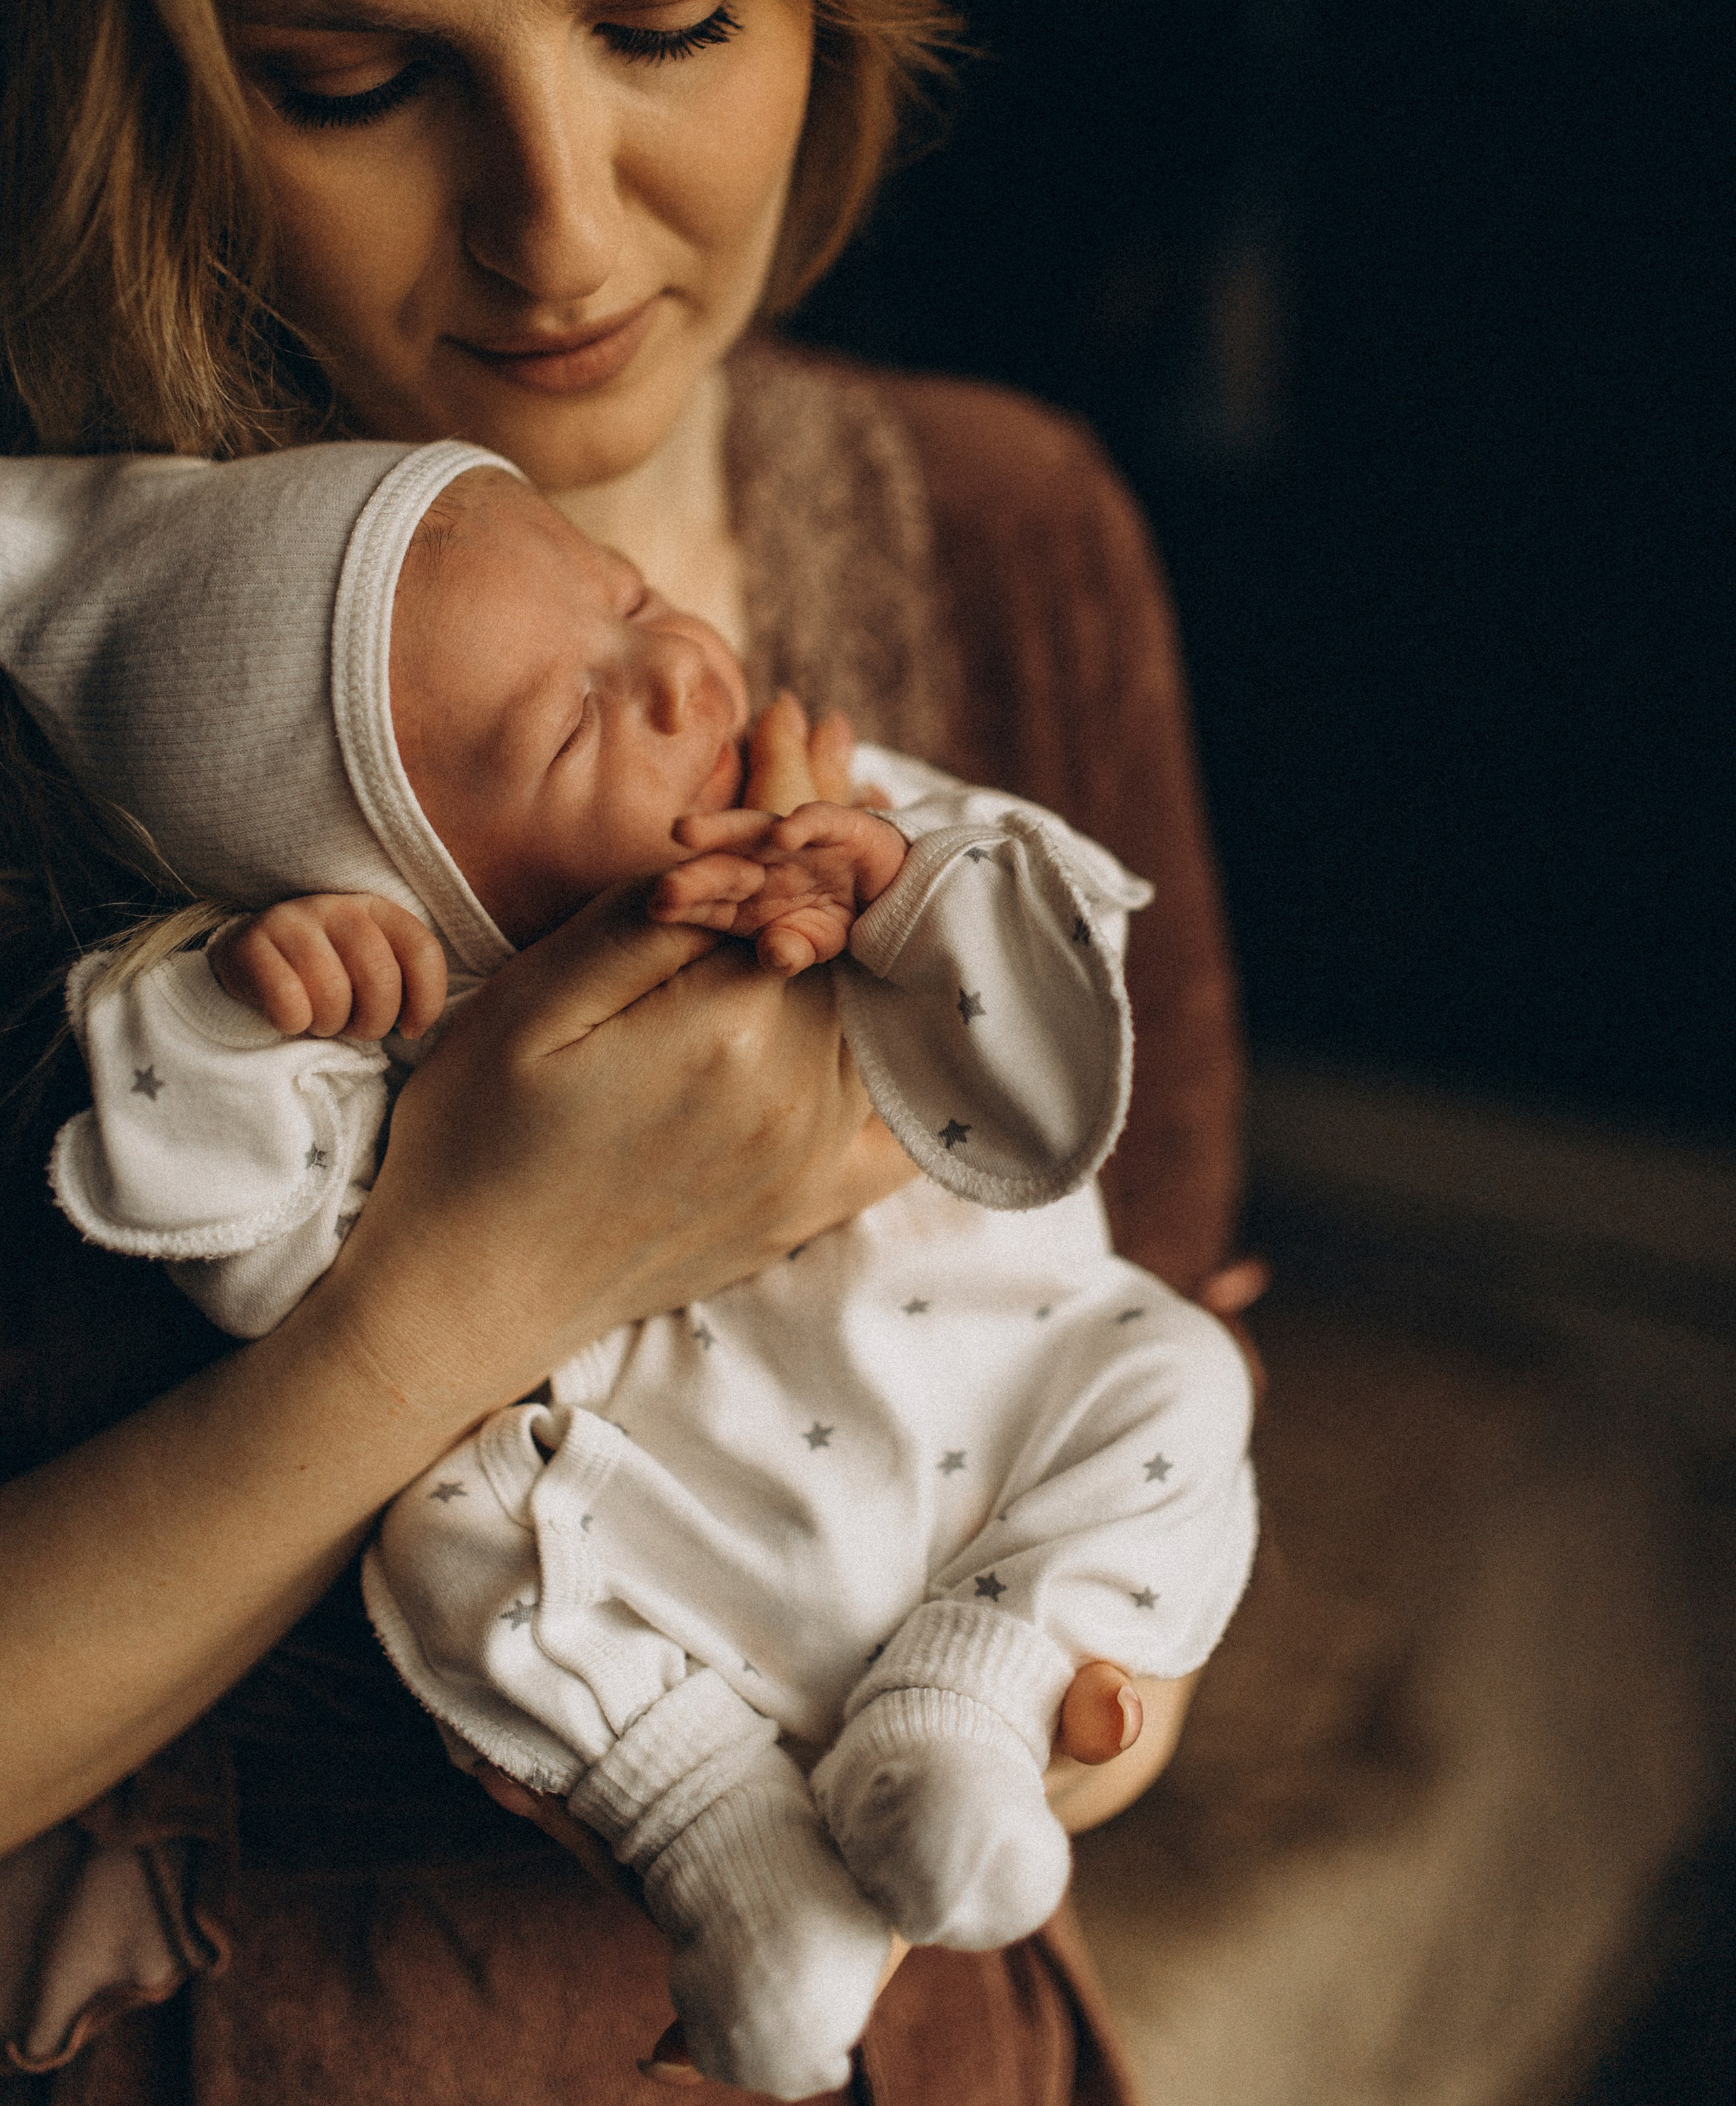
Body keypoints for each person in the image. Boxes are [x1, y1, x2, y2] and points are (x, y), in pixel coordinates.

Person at [0, 0, 1255, 2098]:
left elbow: (1160, 1375)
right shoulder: (85, 722)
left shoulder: (1005, 528)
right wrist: (463, 1296)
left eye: (671, 20)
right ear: (146, 75)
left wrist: (1029, 1712)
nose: (561, 235)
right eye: (346, 81)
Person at [3, 437, 1257, 2097]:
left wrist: (907, 890)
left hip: (981, 1425)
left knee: (1172, 1373)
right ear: (414, 897)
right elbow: (244, 1260)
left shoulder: (848, 786)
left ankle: (967, 1700)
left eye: (634, 605)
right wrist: (258, 1009)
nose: (673, 674)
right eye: (576, 723)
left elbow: (1057, 1012)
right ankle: (723, 1848)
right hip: (654, 1550)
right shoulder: (402, 1061)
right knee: (449, 1553)